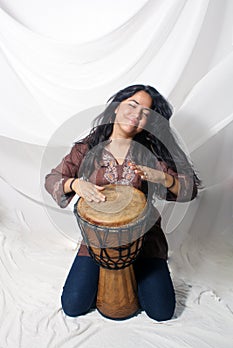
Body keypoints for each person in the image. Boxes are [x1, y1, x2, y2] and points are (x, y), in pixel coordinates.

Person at [45, 84, 200, 321]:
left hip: (145, 239)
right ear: (117, 107)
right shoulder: (88, 148)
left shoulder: (150, 152)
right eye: (132, 105)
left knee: (161, 312)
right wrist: (75, 184)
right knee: (73, 306)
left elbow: (190, 190)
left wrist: (165, 178)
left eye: (145, 113)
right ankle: (111, 275)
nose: (136, 115)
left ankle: (136, 274)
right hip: (99, 241)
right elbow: (53, 179)